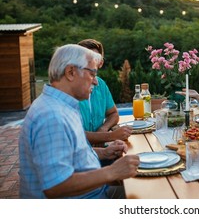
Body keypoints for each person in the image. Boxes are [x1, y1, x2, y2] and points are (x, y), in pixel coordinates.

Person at [18, 44, 140, 198]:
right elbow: (55, 186)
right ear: (71, 72)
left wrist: (104, 152)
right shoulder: (52, 116)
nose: (95, 82)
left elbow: (70, 154)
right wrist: (112, 171)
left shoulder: (62, 106)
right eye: (92, 74)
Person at [78, 39, 132, 147]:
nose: (89, 62)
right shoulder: (71, 91)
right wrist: (109, 136)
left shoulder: (101, 85)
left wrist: (103, 128)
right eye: (85, 59)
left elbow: (113, 114)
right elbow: (75, 136)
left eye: (94, 58)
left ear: (101, 62)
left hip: (96, 151)